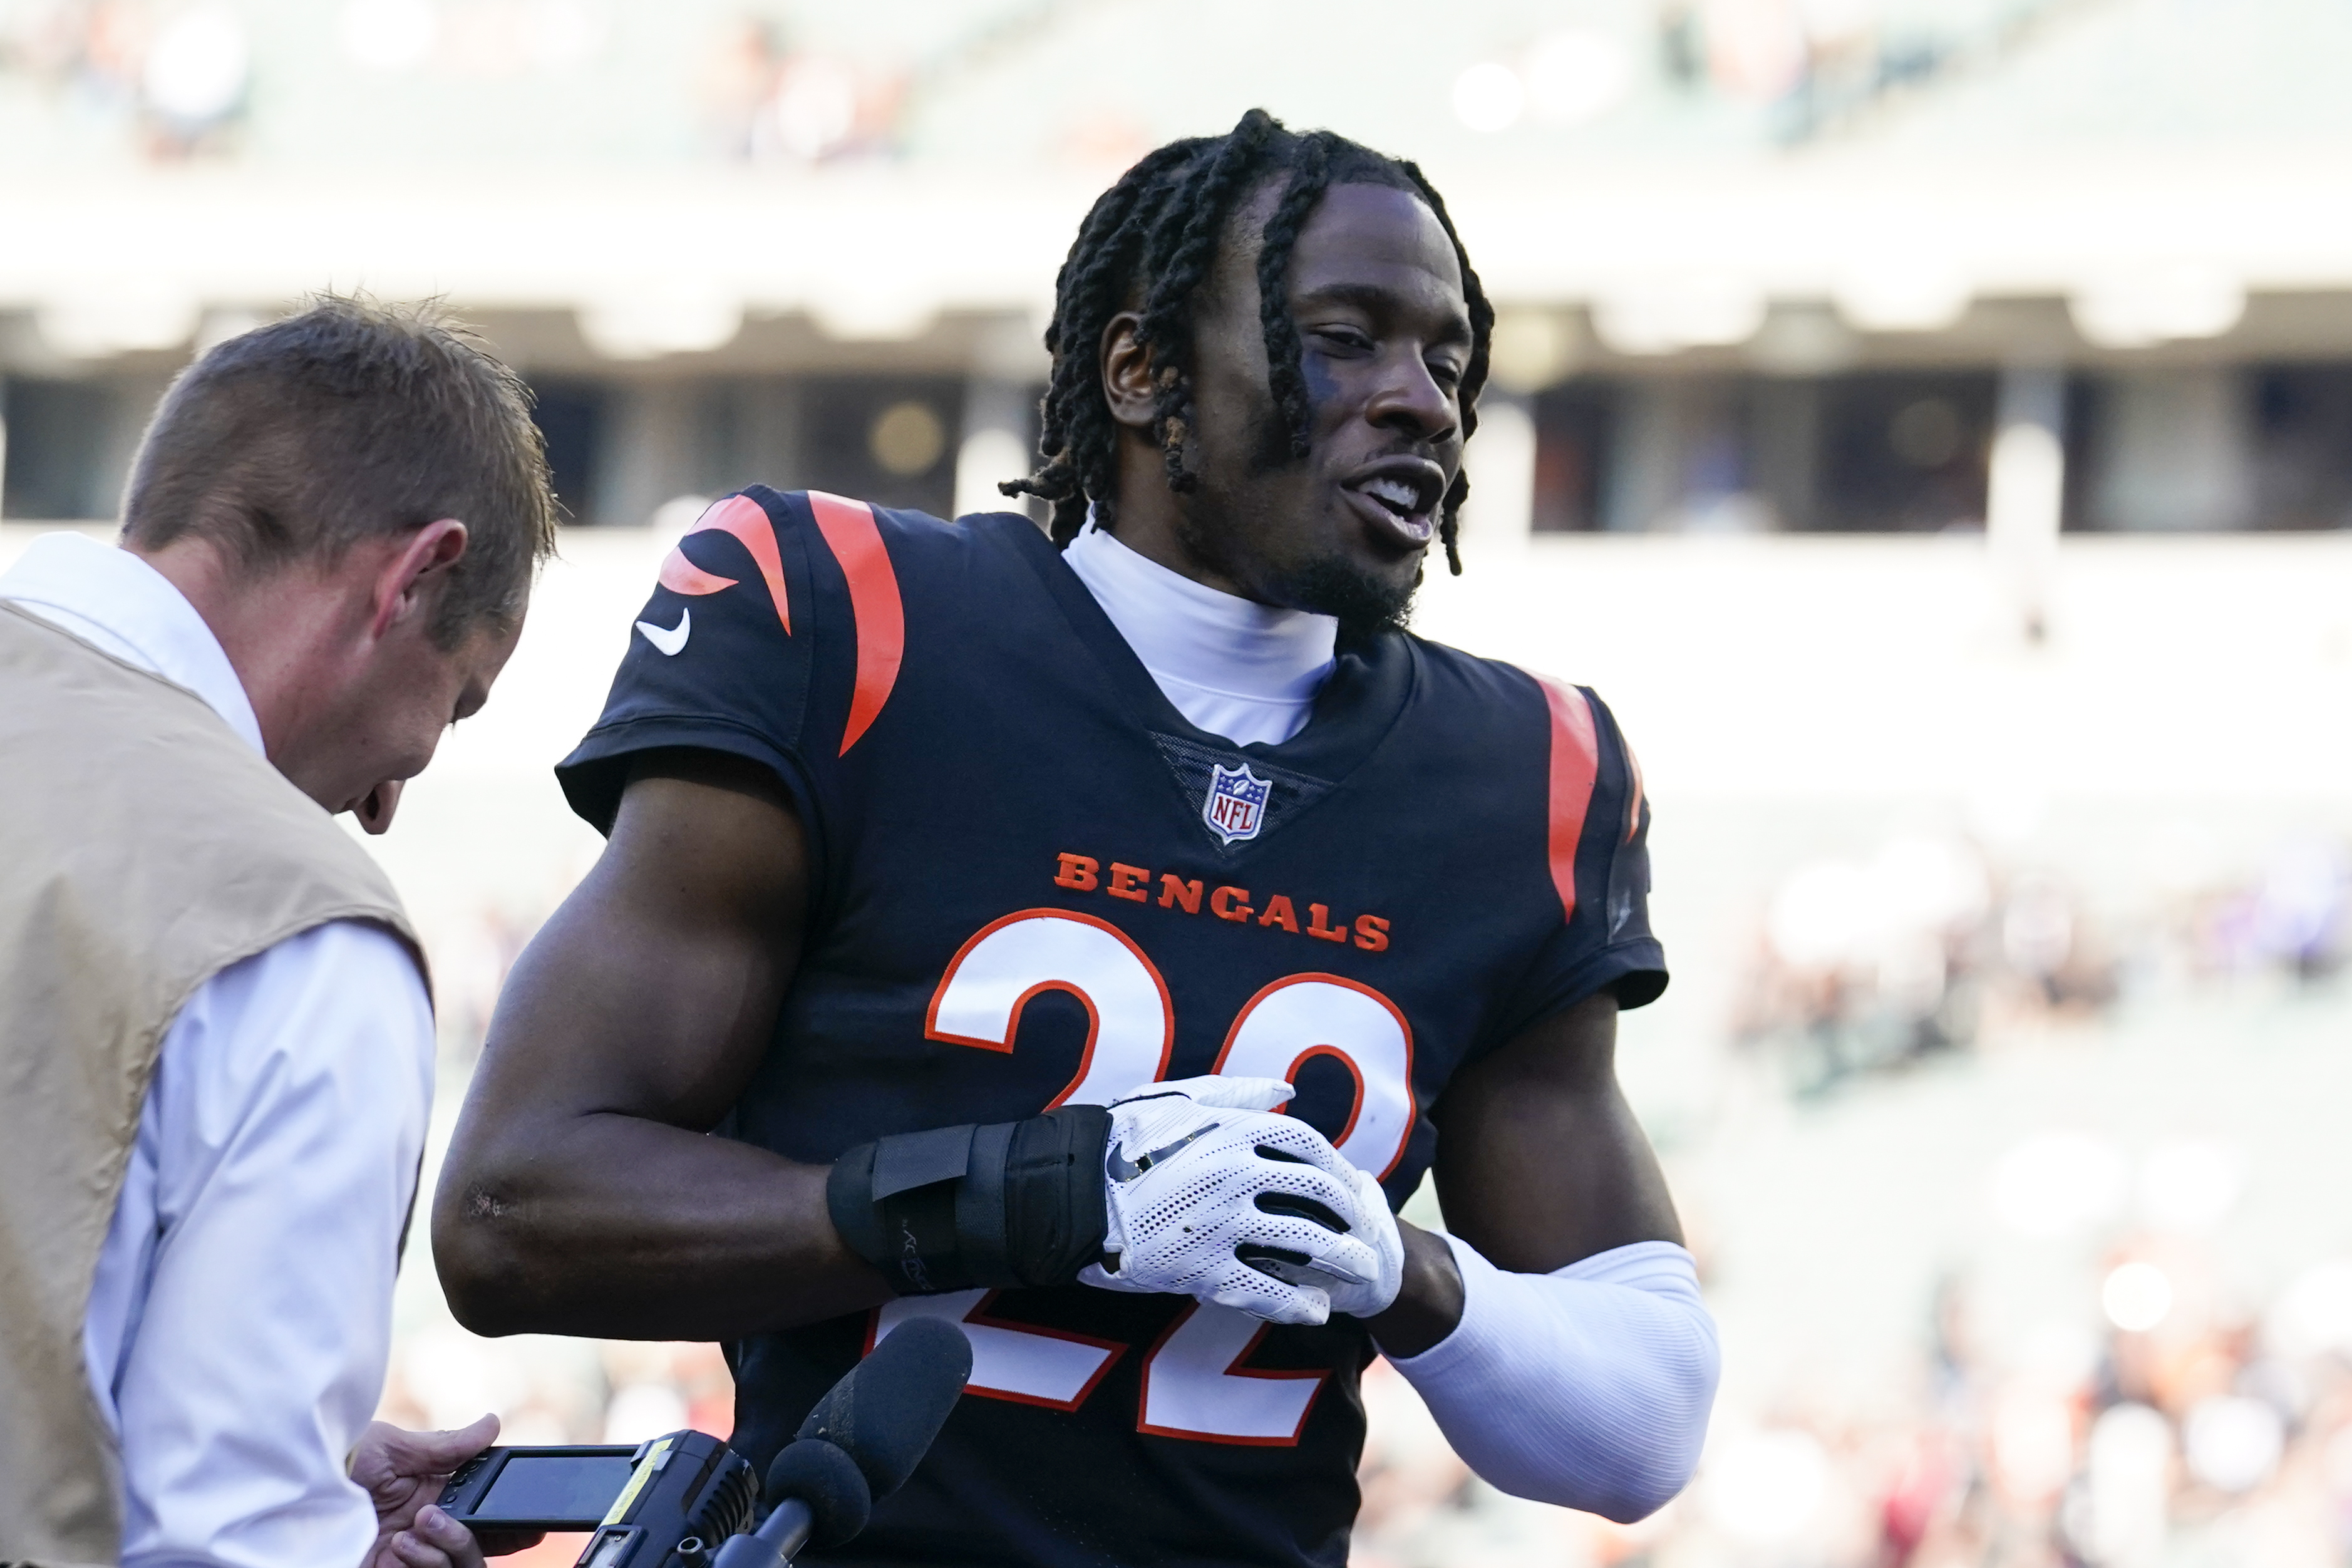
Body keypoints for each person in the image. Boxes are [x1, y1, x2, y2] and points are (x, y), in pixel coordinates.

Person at [436, 111, 1719, 1566]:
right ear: (1140, 373)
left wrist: (1401, 1272)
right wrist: (1025, 1196)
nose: (1420, 399)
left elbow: (1643, 1428)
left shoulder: (1525, 775)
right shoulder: (856, 624)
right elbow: (511, 1210)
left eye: (1446, 360)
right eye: (1346, 337)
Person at [0, 297, 555, 1568]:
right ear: (416, 574)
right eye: (455, 703)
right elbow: (220, 1544)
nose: (387, 801)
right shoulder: (301, 927)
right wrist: (300, 1523)